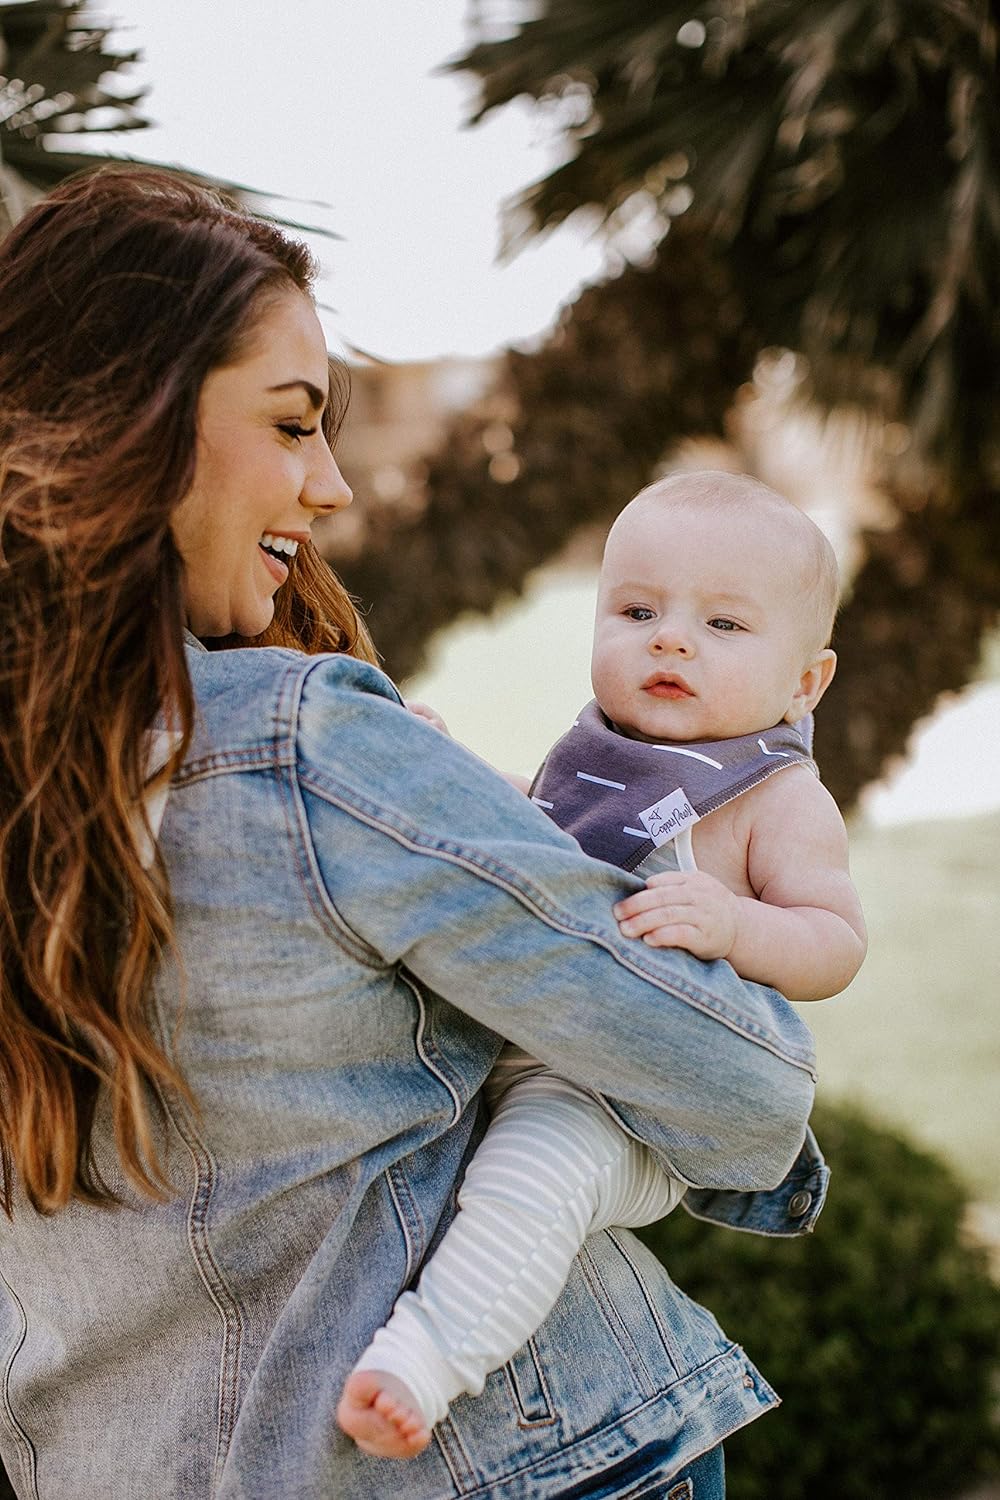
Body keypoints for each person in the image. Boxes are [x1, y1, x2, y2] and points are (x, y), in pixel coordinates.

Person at [0, 167, 826, 1500]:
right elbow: (746, 1093)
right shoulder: (310, 743)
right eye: (289, 424)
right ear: (134, 423)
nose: (327, 485)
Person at [338, 471, 866, 1459]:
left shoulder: (774, 798)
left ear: (805, 683)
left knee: (542, 1168)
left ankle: (427, 1360)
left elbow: (835, 943)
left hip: (624, 1103)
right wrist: (440, 771)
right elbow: (540, 838)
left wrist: (736, 925)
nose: (668, 638)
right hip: (520, 1041)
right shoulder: (598, 753)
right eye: (637, 609)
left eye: (721, 624)